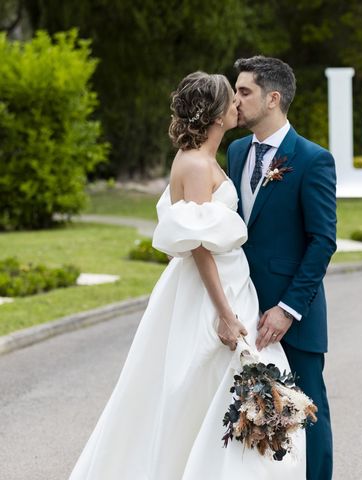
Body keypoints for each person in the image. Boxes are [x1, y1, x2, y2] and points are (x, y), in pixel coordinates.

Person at [69, 71, 305, 479]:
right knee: (208, 390)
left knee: (225, 388)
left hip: (226, 284)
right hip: (214, 293)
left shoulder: (204, 157)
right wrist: (225, 314)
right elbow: (198, 246)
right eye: (232, 99)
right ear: (215, 115)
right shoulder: (196, 164)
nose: (238, 105)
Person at [227, 56, 337, 480]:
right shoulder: (237, 152)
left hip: (293, 316)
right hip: (244, 308)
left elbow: (322, 240)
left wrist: (288, 308)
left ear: (272, 99)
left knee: (307, 409)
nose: (235, 100)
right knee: (252, 411)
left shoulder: (312, 160)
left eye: (244, 92)